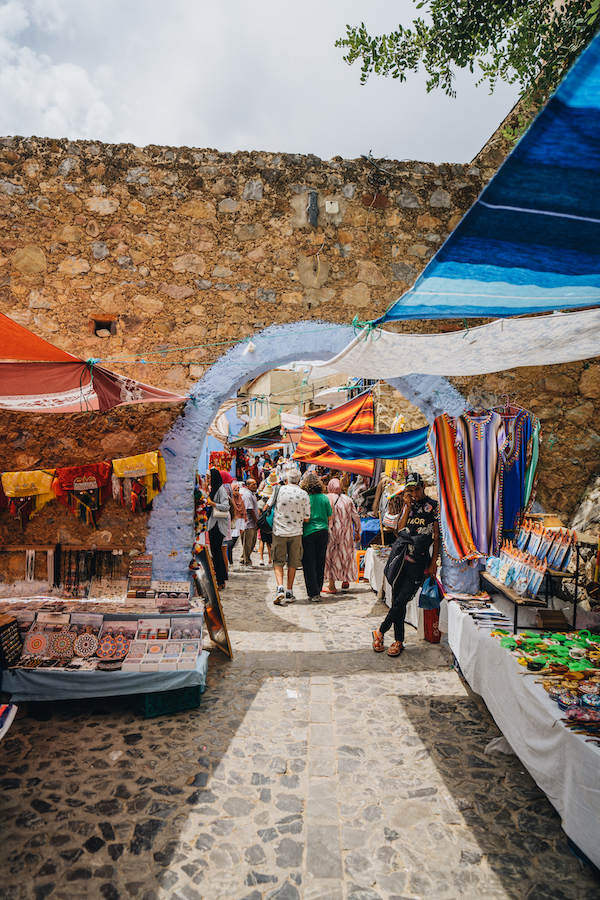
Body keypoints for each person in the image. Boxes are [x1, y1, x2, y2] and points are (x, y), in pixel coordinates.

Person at [372, 473, 440, 657]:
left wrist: (433, 562)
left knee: (402, 599)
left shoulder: (432, 507)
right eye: (410, 490)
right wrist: (407, 506)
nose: (415, 493)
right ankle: (398, 641)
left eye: (416, 489)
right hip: (401, 560)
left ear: (423, 486)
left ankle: (380, 630)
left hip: (418, 563)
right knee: (397, 602)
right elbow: (400, 529)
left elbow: (436, 536)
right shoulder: (407, 505)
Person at [268, 468, 310, 605]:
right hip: (296, 533)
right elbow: (307, 518)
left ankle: (279, 588)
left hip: (279, 532)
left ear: (287, 479)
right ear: (299, 480)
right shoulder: (304, 494)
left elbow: (266, 507)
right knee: (293, 563)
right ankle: (289, 591)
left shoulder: (278, 490)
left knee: (278, 561)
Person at [323, 477, 362, 594]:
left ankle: (331, 586)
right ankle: (346, 580)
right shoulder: (348, 499)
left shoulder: (326, 498)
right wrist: (357, 532)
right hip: (346, 534)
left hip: (331, 532)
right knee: (346, 555)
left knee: (331, 557)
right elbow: (356, 517)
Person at [300, 472, 332, 603]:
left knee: (309, 563)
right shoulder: (324, 498)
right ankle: (318, 589)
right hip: (322, 532)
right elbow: (329, 517)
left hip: (308, 533)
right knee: (320, 561)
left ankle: (312, 592)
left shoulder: (305, 498)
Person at [206, 467, 230, 590]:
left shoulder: (221, 490)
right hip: (213, 525)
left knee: (217, 553)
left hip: (218, 526)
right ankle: (220, 579)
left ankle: (221, 581)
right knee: (216, 553)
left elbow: (226, 506)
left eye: (209, 478)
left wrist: (213, 504)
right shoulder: (214, 489)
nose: (208, 480)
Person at [258, 473, 278, 565]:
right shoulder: (274, 502)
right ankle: (270, 558)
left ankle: (261, 558)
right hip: (271, 524)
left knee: (261, 541)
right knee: (270, 543)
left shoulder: (261, 502)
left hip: (263, 524)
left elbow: (259, 513)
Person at [226, 480, 247, 566]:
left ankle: (229, 561)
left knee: (231, 545)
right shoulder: (228, 500)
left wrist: (242, 527)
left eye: (238, 490)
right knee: (229, 546)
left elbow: (243, 514)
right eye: (235, 490)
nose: (237, 492)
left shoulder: (240, 501)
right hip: (229, 527)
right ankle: (229, 561)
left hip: (237, 527)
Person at [240, 478, 259, 566]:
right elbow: (250, 509)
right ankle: (246, 560)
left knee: (252, 542)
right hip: (249, 523)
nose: (255, 486)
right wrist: (256, 521)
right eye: (253, 484)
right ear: (248, 486)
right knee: (248, 543)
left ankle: (244, 558)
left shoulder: (252, 494)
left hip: (252, 523)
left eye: (255, 484)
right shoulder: (247, 495)